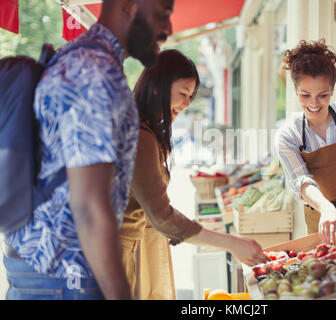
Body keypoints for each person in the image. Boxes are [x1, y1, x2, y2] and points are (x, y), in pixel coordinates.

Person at [2, 0, 175, 300]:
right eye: (161, 14)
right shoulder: (95, 74)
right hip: (65, 279)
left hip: (40, 271)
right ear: (129, 6)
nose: (167, 29)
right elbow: (89, 206)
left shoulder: (77, 58)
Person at [120, 49, 268, 300]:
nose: (187, 104)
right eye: (183, 93)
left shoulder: (143, 131)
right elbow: (162, 217)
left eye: (190, 96)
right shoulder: (140, 137)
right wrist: (231, 242)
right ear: (158, 86)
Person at [276, 40, 336, 244]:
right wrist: (327, 208)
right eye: (305, 95)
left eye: (323, 95)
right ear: (295, 91)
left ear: (332, 90)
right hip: (319, 220)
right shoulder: (288, 134)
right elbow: (301, 180)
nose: (314, 103)